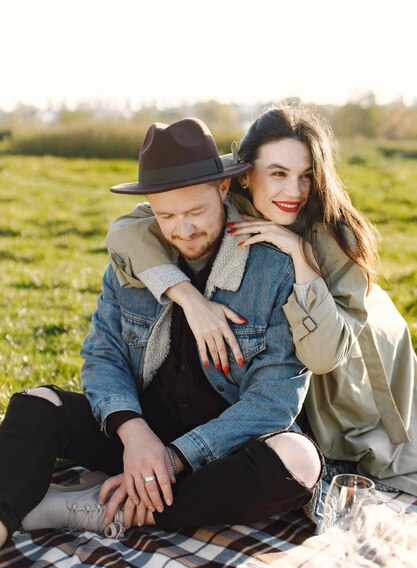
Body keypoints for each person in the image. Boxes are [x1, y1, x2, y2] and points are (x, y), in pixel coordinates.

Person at [0, 117, 323, 550]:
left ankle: (104, 504)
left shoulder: (274, 266)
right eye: (166, 214)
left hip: (218, 452)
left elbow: (273, 402)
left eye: (195, 212)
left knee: (297, 460)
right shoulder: (135, 259)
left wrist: (173, 459)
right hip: (141, 436)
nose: (183, 229)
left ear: (223, 190)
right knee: (36, 405)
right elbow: (103, 356)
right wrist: (134, 434)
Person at [106, 101, 417, 496]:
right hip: (288, 361)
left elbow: (324, 356)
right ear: (245, 174)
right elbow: (126, 232)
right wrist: (189, 299)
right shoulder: (221, 191)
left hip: (352, 359)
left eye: (307, 175)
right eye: (278, 174)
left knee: (359, 456)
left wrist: (302, 259)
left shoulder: (335, 236)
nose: (295, 191)